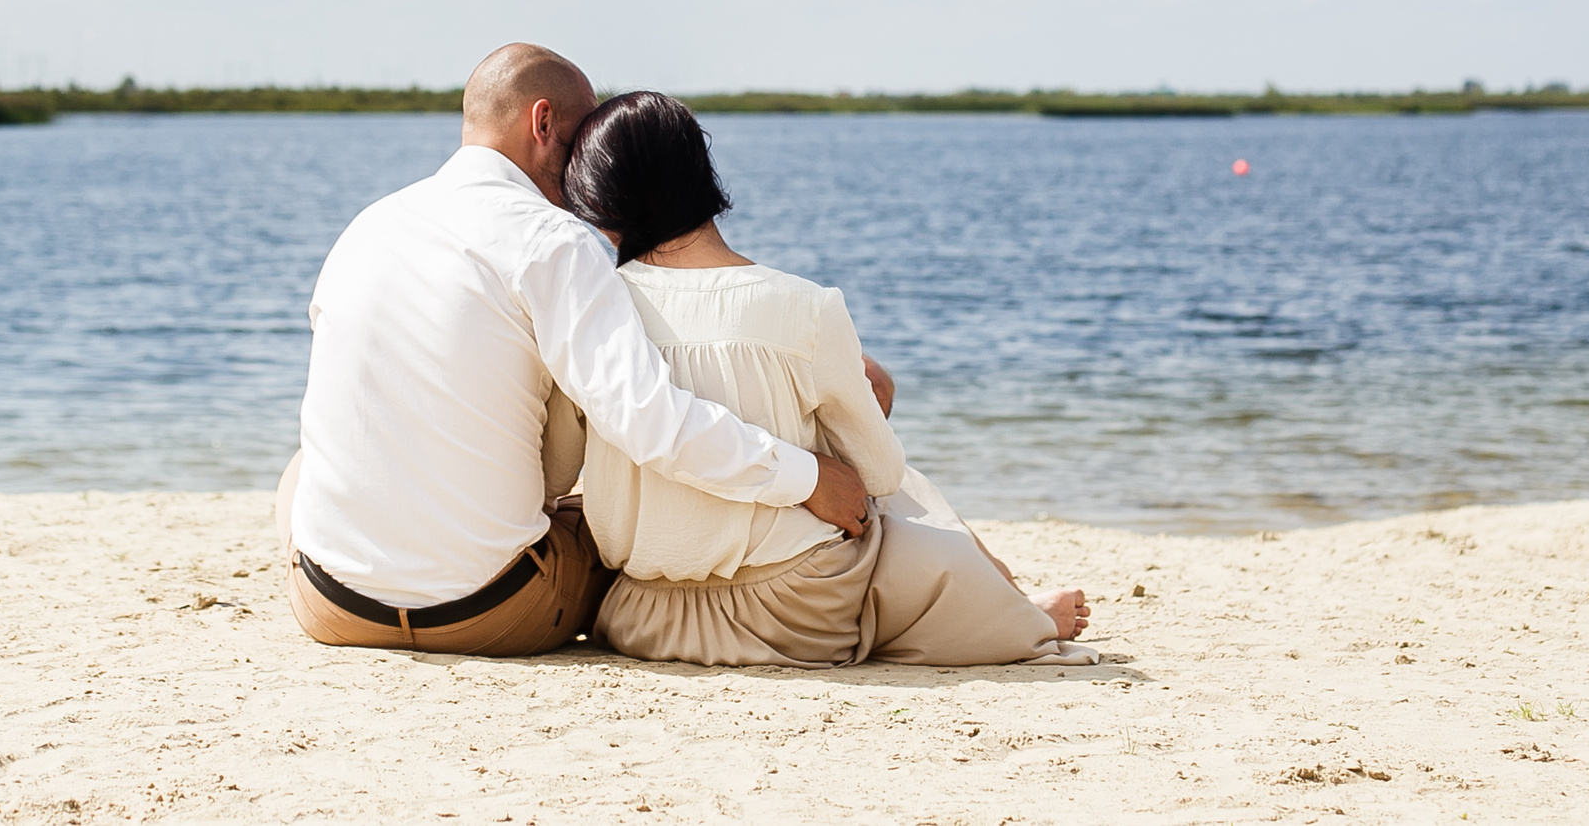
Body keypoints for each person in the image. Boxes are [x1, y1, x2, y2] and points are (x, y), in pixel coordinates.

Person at [276, 44, 871, 657]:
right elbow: (647, 418)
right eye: (584, 132)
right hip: (490, 612)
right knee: (626, 521)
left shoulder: (367, 228)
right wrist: (805, 477)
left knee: (303, 467)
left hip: (331, 606)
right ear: (542, 125)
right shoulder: (553, 241)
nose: (591, 158)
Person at [562, 90, 1098, 668]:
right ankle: (1018, 608)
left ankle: (1012, 598)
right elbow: (879, 473)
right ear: (700, 173)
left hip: (643, 613)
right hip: (798, 612)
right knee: (902, 489)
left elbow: (565, 463)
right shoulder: (804, 305)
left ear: (599, 204)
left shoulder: (593, 312)